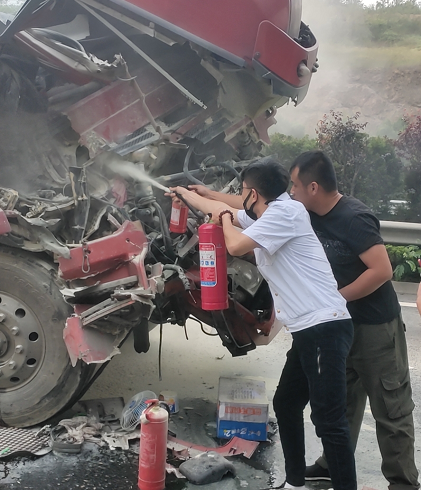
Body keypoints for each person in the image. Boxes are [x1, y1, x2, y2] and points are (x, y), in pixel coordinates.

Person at [170, 157, 357, 490]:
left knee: (329, 421)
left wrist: (225, 217)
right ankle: (296, 482)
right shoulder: (273, 212)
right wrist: (187, 194)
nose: (241, 198)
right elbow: (218, 208)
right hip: (308, 330)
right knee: (286, 402)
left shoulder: (286, 214)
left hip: (324, 328)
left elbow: (235, 241)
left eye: (243, 191)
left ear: (253, 193)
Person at [289, 150, 419, 490]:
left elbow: (382, 270)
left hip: (375, 328)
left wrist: (333, 298)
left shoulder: (354, 217)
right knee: (339, 402)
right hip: (339, 326)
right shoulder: (307, 213)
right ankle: (332, 464)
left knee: (391, 410)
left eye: (294, 185)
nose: (291, 192)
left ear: (313, 187)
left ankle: (403, 484)